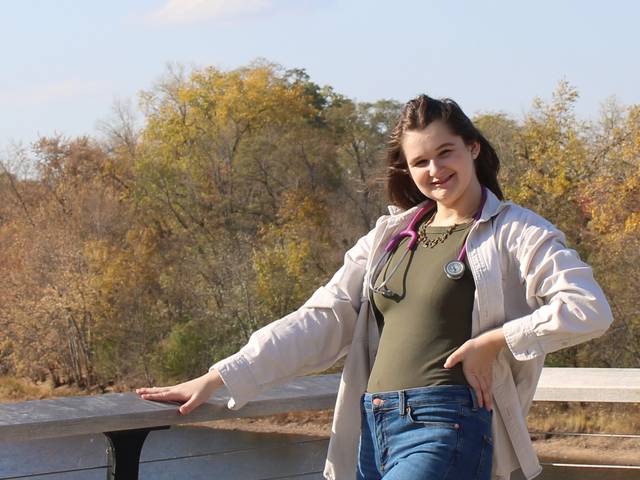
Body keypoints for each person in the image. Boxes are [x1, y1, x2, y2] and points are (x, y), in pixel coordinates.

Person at [135, 95, 613, 480]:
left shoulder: (516, 231)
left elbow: (588, 308)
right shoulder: (389, 236)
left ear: (473, 148)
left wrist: (496, 341)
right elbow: (323, 318)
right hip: (372, 423)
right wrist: (220, 376)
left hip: (446, 422)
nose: (434, 170)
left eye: (445, 152)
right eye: (420, 160)